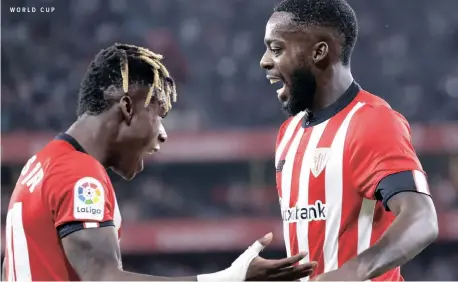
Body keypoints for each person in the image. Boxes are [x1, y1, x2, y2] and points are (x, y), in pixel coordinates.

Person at [2, 43, 317, 281]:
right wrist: (227, 278)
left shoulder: (37, 167)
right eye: (158, 115)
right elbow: (104, 278)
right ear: (127, 107)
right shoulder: (80, 173)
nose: (163, 134)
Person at [260, 0, 439, 280]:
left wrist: (353, 272)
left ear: (319, 52)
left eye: (276, 48)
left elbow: (422, 219)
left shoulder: (372, 121)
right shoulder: (289, 132)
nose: (264, 61)